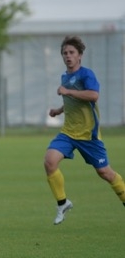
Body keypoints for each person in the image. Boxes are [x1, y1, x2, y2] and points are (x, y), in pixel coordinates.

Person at [43, 35, 125, 225]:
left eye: (71, 52)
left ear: (80, 55)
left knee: (105, 173)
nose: (68, 56)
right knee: (49, 162)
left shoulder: (87, 75)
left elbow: (93, 95)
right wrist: (59, 109)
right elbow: (72, 100)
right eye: (65, 53)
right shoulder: (66, 76)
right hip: (68, 133)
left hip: (89, 136)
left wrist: (68, 92)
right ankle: (62, 203)